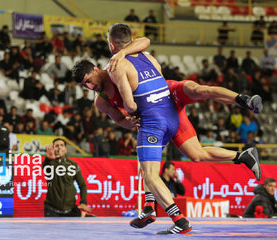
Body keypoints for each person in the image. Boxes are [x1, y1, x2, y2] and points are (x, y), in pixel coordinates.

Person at [72, 23, 262, 234]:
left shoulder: (117, 66)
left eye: (89, 81)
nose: (89, 87)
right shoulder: (102, 97)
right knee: (193, 155)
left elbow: (131, 98)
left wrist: (131, 106)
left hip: (163, 102)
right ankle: (242, 156)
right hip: (166, 110)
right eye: (84, 85)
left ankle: (243, 99)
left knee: (198, 90)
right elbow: (119, 118)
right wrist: (127, 122)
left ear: (99, 65)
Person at [43, 138, 93, 217]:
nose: (59, 147)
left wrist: (83, 202)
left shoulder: (73, 165)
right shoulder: (49, 163)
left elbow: (82, 185)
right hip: (51, 210)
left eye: (62, 145)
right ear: (53, 149)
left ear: (65, 149)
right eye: (56, 146)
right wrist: (48, 159)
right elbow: (45, 167)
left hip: (70, 210)